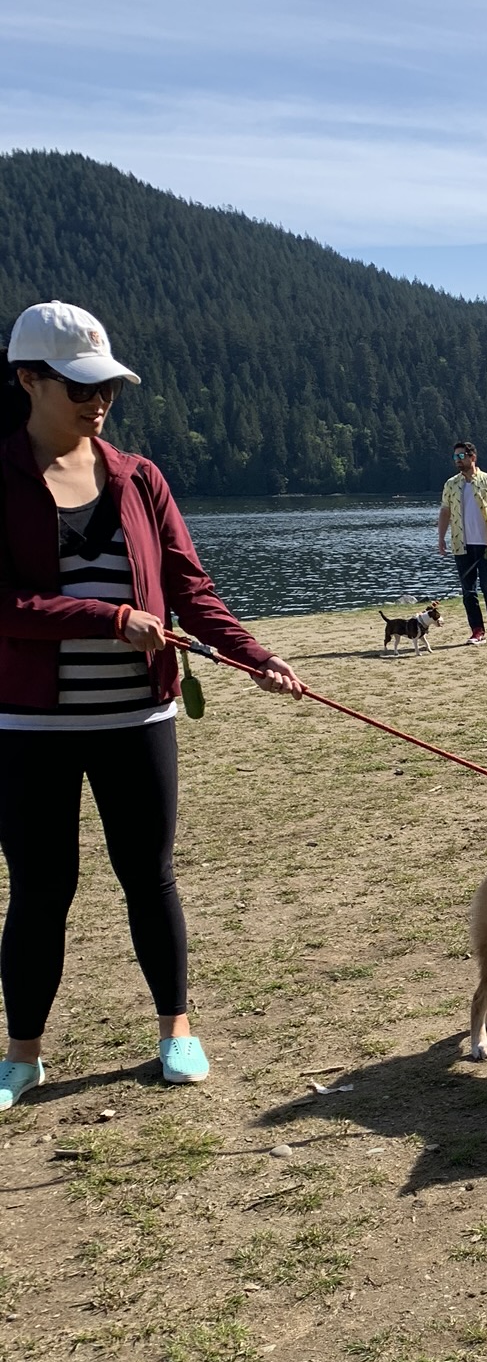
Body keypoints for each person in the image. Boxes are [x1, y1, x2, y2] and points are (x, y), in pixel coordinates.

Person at [0, 300, 301, 1109]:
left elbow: (190, 590)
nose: (98, 402)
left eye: (107, 388)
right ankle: (21, 1056)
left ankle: (177, 1031)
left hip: (139, 720)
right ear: (28, 380)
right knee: (39, 889)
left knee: (150, 877)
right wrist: (110, 617)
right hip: (31, 727)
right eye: (78, 387)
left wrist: (255, 657)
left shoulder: (140, 478)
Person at [437, 439, 487, 645]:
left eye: (461, 456)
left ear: (472, 457)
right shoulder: (451, 484)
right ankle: (477, 631)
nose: (458, 461)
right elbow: (445, 512)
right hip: (461, 545)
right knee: (468, 591)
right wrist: (441, 538)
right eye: (455, 457)